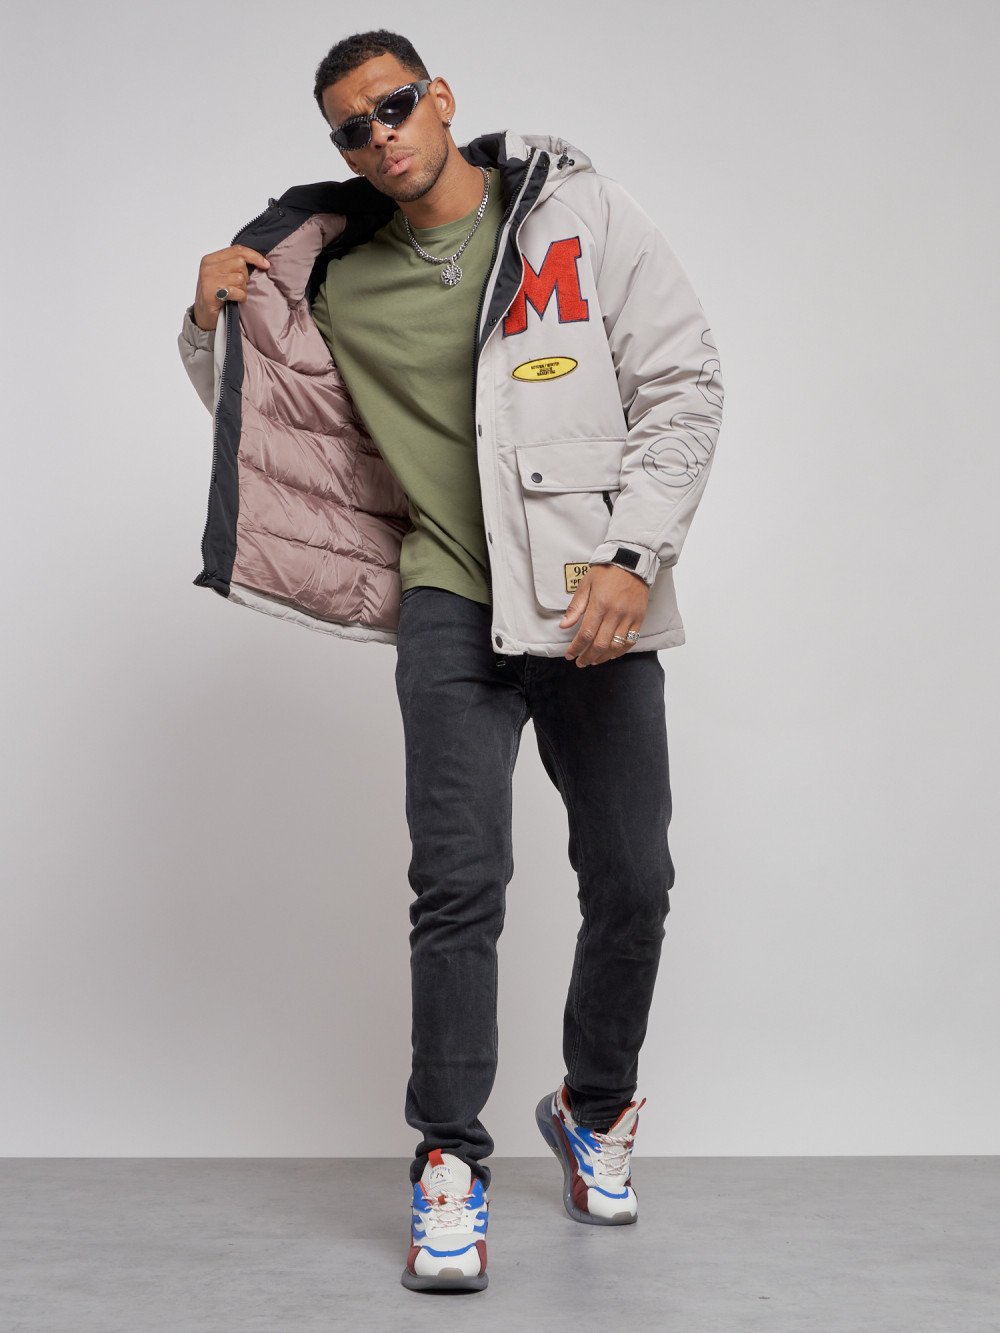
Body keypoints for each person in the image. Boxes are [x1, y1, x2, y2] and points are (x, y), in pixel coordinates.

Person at [177, 28, 724, 1295]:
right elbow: (271, 423)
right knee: (458, 887)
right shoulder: (339, 276)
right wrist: (209, 320)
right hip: (447, 603)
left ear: (440, 97)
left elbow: (686, 382)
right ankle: (447, 1160)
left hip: (589, 598)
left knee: (633, 877)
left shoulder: (575, 213)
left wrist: (634, 553)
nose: (379, 138)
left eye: (394, 106)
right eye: (351, 129)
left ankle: (594, 1106)